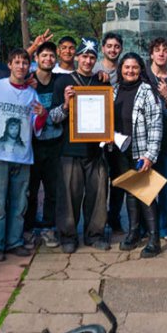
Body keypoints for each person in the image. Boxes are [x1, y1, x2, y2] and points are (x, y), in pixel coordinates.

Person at [0, 48, 47, 262]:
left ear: (30, 67)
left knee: (19, 203)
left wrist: (42, 115)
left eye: (24, 63)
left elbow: (36, 127)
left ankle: (15, 241)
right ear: (9, 64)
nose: (21, 67)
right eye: (16, 62)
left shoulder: (32, 94)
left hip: (22, 157)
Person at [49, 38, 111, 253]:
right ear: (77, 58)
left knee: (98, 195)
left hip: (96, 150)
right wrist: (66, 104)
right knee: (69, 196)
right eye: (84, 56)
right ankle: (68, 236)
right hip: (69, 149)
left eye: (92, 57)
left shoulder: (102, 82)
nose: (87, 60)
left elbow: (108, 116)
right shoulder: (63, 82)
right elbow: (53, 118)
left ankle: (95, 234)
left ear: (96, 60)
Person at [109, 53, 164, 257]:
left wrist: (150, 154)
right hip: (119, 150)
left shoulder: (147, 91)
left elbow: (156, 124)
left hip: (141, 151)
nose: (130, 71)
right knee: (131, 193)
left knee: (146, 194)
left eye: (134, 67)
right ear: (120, 69)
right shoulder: (113, 91)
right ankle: (134, 232)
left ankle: (154, 238)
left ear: (141, 69)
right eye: (126, 67)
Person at [26, 41, 65, 246]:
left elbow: (84, 76)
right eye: (44, 56)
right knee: (31, 190)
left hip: (54, 143)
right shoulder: (27, 80)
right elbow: (14, 64)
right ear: (36, 59)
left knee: (52, 190)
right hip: (32, 144)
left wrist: (101, 75)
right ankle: (30, 228)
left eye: (51, 56)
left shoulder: (60, 80)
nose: (48, 59)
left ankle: (49, 227)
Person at [145, 37, 167, 241]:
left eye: (165, 50)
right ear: (151, 53)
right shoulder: (142, 76)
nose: (161, 53)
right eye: (157, 50)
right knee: (145, 188)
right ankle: (146, 227)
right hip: (145, 141)